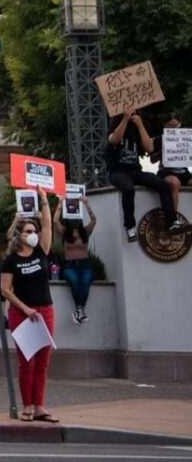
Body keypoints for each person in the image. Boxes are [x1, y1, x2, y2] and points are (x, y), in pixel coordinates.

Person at [0, 194, 58, 423]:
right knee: (27, 361)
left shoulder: (41, 251)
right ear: (19, 236)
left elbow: (47, 224)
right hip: (23, 314)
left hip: (45, 311)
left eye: (34, 231)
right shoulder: (11, 260)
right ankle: (27, 406)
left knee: (43, 361)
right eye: (27, 231)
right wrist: (25, 309)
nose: (33, 234)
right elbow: (5, 290)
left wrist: (43, 199)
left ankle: (40, 405)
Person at [107, 110, 175, 241]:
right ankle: (130, 227)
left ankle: (172, 221)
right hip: (117, 171)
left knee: (163, 184)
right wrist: (125, 119)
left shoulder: (137, 131)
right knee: (128, 188)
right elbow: (114, 139)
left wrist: (140, 125)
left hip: (135, 171)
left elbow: (149, 148)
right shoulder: (115, 129)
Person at [60, 198, 97, 325]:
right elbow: (54, 221)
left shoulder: (85, 232)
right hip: (70, 264)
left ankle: (79, 309)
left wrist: (87, 204)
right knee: (75, 281)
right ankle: (80, 310)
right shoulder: (65, 233)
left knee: (85, 281)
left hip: (84, 263)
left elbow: (94, 220)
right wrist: (60, 203)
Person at [153, 111, 189, 218]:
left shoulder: (186, 137)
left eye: (176, 126)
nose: (174, 129)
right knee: (174, 183)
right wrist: (162, 152)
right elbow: (152, 159)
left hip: (184, 171)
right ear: (166, 126)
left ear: (179, 124)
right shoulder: (160, 139)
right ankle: (173, 219)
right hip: (166, 172)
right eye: (170, 126)